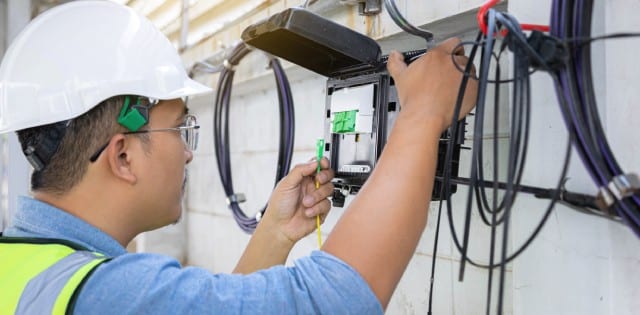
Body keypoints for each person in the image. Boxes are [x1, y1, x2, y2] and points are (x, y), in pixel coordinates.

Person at [0, 1, 477, 314]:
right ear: (123, 156)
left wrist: (272, 234)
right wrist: (424, 114)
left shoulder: (25, 270)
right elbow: (327, 303)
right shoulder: (106, 294)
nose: (188, 153)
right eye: (183, 126)